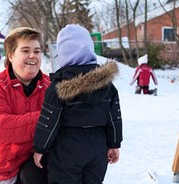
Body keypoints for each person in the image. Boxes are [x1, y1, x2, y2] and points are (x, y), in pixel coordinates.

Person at [33, 24, 123, 183]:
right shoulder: (107, 85)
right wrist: (114, 144)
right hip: (98, 147)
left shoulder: (59, 87)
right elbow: (114, 117)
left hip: (67, 149)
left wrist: (40, 148)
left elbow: (49, 122)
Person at [0, 27, 50, 184]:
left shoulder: (49, 86)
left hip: (35, 164)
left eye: (37, 51)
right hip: (3, 171)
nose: (33, 56)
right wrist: (46, 118)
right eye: (25, 50)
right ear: (11, 55)